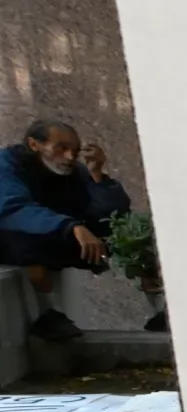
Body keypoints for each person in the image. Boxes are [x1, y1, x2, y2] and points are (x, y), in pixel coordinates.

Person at [0, 119, 139, 340]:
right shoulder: (7, 165)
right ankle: (47, 313)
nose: (70, 157)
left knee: (130, 237)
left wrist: (97, 176)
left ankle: (160, 308)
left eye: (74, 150)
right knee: (30, 240)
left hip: (57, 233)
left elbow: (110, 217)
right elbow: (13, 209)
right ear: (34, 144)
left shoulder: (74, 172)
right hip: (13, 236)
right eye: (61, 148)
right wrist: (71, 227)